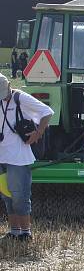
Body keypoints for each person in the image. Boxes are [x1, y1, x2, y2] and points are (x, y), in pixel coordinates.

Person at [0, 73, 53, 241]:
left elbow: (47, 112)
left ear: (8, 87)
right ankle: (14, 231)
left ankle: (25, 233)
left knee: (20, 198)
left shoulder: (20, 98)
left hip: (18, 157)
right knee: (7, 197)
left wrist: (39, 132)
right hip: (2, 157)